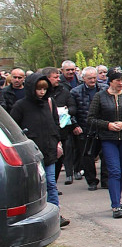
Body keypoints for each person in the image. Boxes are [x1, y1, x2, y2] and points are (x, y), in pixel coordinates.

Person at [10, 72, 65, 223]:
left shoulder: (49, 103)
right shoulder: (20, 106)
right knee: (36, 187)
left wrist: (56, 142)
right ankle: (37, 216)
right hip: (31, 154)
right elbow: (14, 129)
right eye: (38, 89)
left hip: (49, 151)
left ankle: (55, 215)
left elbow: (55, 124)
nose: (41, 92)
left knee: (51, 184)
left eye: (44, 89)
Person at [87, 69, 122, 219]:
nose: (121, 83)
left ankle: (118, 198)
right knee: (114, 171)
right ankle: (115, 205)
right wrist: (108, 125)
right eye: (118, 80)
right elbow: (91, 118)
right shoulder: (100, 97)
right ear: (110, 81)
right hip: (108, 139)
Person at [71, 67, 104, 190]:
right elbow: (72, 111)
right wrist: (75, 125)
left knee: (104, 153)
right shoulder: (75, 92)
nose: (92, 80)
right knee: (87, 155)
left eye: (94, 78)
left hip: (102, 126)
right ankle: (91, 181)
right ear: (83, 78)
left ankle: (105, 180)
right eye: (89, 78)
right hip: (84, 127)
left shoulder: (103, 89)